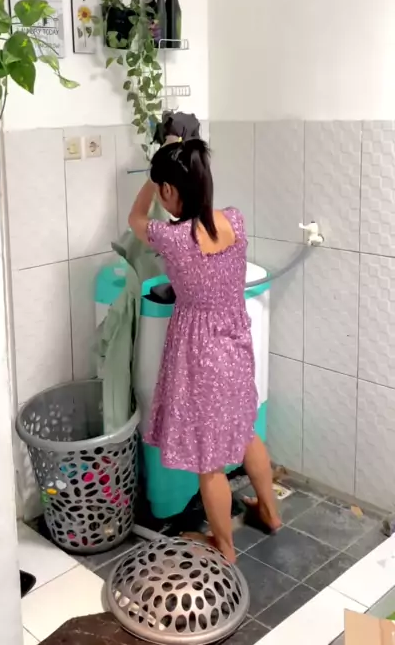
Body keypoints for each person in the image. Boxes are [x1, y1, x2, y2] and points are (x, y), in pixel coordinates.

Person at [129, 137, 281, 563]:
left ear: (169, 190)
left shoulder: (172, 238)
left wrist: (152, 175)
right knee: (245, 430)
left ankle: (224, 547)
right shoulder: (235, 220)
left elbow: (135, 218)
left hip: (200, 353)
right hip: (236, 343)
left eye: (164, 187)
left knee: (208, 461)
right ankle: (270, 512)